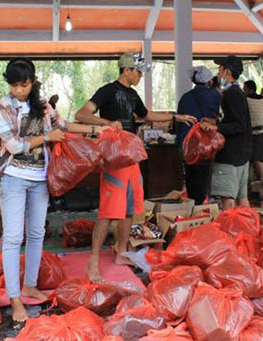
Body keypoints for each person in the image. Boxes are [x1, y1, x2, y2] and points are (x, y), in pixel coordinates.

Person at [0, 58, 107, 322]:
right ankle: (15, 298)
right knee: (12, 238)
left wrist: (97, 128)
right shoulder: (2, 107)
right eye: (14, 85)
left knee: (35, 233)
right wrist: (45, 138)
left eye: (24, 85)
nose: (19, 90)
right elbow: (12, 145)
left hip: (40, 178)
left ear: (32, 81)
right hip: (13, 178)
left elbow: (64, 126)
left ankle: (30, 284)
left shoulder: (43, 107)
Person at [75, 52, 196, 283]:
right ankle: (93, 261)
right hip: (114, 158)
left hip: (131, 157)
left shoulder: (132, 94)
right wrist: (107, 123)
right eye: (138, 72)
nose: (140, 76)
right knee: (108, 211)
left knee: (129, 209)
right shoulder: (108, 90)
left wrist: (176, 117)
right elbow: (81, 114)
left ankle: (121, 252)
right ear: (126, 70)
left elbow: (147, 115)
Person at [201, 56, 253, 209]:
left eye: (220, 69)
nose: (218, 73)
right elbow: (235, 119)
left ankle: (231, 231)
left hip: (231, 156)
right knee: (242, 199)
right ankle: (247, 230)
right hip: (241, 154)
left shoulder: (232, 94)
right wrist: (215, 122)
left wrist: (216, 128)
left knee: (228, 200)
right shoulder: (235, 92)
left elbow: (239, 125)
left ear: (227, 72)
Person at [176, 66, 221, 205]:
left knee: (191, 178)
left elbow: (179, 124)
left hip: (189, 145)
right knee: (204, 177)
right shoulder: (215, 95)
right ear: (209, 81)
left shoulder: (185, 97)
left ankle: (193, 205)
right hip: (207, 145)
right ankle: (201, 205)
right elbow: (219, 117)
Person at [243, 80, 263, 199]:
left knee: (247, 161)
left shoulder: (246, 101)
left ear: (247, 88)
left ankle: (246, 190)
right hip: (262, 133)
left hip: (251, 134)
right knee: (259, 161)